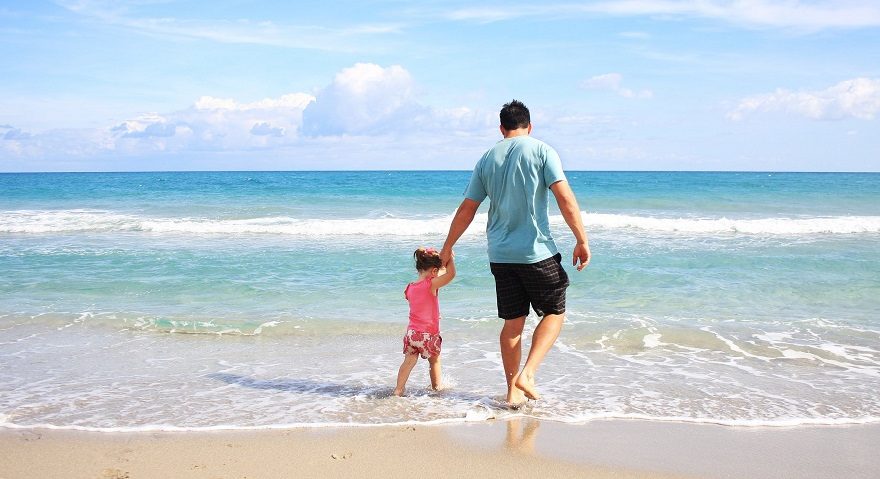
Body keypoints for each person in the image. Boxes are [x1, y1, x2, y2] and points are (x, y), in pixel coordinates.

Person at [439, 100, 590, 406]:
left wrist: (447, 246)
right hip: (536, 252)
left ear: (501, 128)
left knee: (512, 323)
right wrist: (581, 239)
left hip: (500, 255)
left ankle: (512, 392)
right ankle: (528, 374)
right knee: (555, 312)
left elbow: (468, 208)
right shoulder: (542, 150)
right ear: (529, 126)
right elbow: (564, 197)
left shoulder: (486, 158)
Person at [394, 247, 456, 396]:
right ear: (434, 272)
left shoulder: (409, 288)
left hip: (412, 334)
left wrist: (440, 264)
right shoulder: (431, 285)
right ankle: (436, 388)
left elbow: (420, 302)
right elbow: (451, 274)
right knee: (434, 361)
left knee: (408, 361)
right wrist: (450, 258)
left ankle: (398, 390)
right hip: (428, 334)